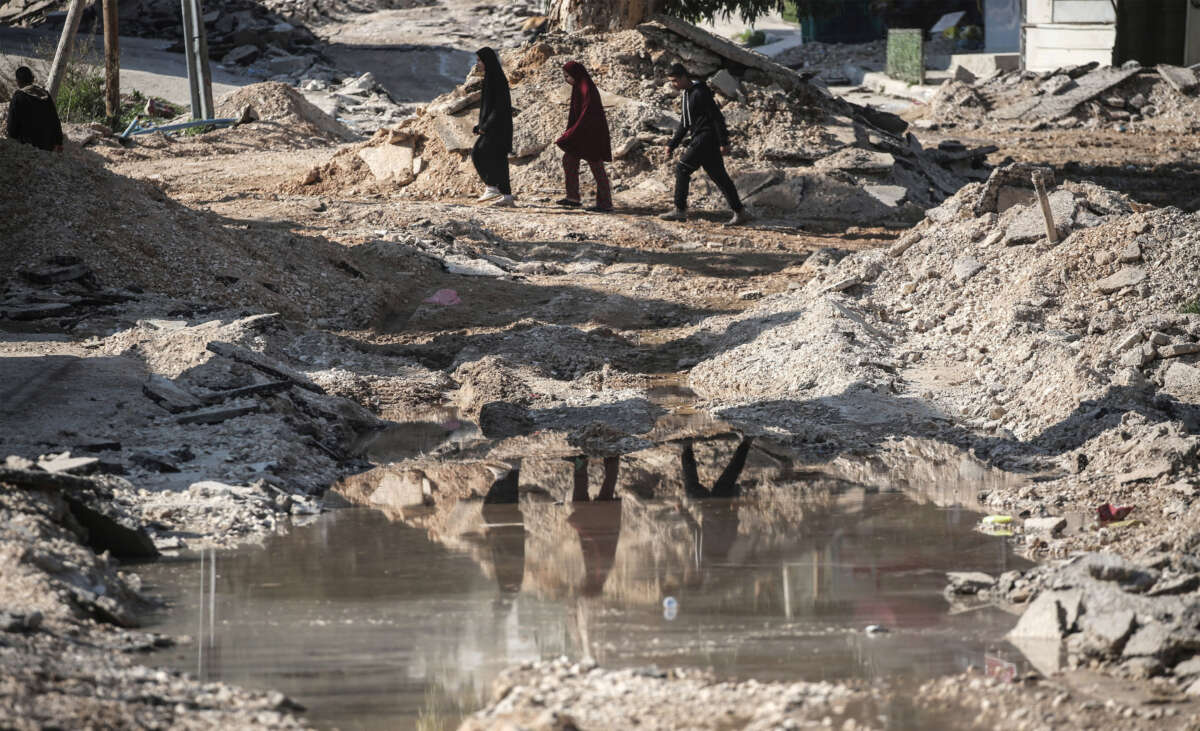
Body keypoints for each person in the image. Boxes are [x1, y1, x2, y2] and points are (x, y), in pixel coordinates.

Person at [660, 63, 748, 226]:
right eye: (671, 81)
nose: (673, 84)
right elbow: (685, 123)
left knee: (682, 169)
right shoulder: (687, 94)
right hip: (701, 139)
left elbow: (716, 117)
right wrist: (672, 145)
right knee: (719, 176)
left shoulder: (700, 92)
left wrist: (724, 141)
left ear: (684, 77)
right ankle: (740, 212)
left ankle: (679, 210)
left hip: (705, 138)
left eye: (675, 80)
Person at [555, 61, 613, 213]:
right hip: (581, 133)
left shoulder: (586, 88)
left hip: (591, 134)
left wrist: (572, 133)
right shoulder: (578, 88)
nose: (566, 80)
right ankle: (572, 197)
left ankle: (605, 203)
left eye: (568, 76)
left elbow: (587, 114)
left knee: (596, 166)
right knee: (569, 160)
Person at [471, 47, 514, 207]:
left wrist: (486, 126)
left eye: (480, 60)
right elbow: (489, 107)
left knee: (478, 153)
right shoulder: (492, 77)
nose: (478, 64)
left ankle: (491, 186)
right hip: (496, 126)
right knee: (499, 161)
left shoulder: (495, 78)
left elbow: (499, 107)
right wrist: (480, 125)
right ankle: (507, 197)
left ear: (487, 61)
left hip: (496, 128)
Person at [5, 66, 64, 153]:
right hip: (48, 144)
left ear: (18, 81)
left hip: (29, 144)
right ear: (32, 78)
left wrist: (11, 140)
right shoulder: (45, 94)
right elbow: (55, 120)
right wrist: (59, 142)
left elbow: (12, 126)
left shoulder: (18, 97)